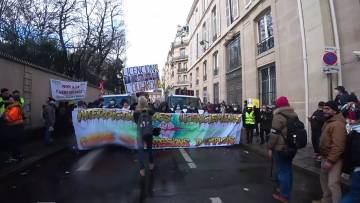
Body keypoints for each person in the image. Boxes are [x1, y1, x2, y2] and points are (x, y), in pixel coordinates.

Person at [313, 101, 347, 203]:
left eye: (327, 109)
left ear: (334, 110)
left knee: (333, 183)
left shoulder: (337, 124)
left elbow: (338, 146)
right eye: (324, 108)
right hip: (325, 156)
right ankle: (326, 200)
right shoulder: (329, 121)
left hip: (334, 159)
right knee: (324, 178)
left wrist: (330, 161)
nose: (324, 111)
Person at [268, 96, 298, 203]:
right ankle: (286, 189)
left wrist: (270, 148)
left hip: (281, 148)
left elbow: (274, 134)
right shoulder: (294, 114)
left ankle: (284, 195)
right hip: (291, 147)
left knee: (282, 171)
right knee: (288, 169)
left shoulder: (278, 116)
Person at [340, 105, 360, 203]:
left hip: (357, 169)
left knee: (354, 196)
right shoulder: (353, 132)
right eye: (350, 119)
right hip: (356, 169)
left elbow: (351, 154)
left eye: (353, 119)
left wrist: (346, 171)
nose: (350, 121)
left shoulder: (354, 134)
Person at [133, 96, 155, 177]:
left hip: (140, 133)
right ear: (146, 102)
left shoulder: (136, 112)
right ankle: (151, 165)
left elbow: (136, 122)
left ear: (138, 102)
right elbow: (154, 114)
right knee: (150, 150)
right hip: (149, 132)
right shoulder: (149, 111)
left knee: (141, 152)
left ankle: (142, 170)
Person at [3, 96, 24, 163]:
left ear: (14, 100)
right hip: (15, 127)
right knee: (15, 143)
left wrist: (5, 115)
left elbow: (9, 118)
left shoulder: (14, 108)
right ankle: (18, 157)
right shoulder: (13, 107)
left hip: (14, 127)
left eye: (10, 99)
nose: (9, 100)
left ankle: (15, 158)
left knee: (13, 143)